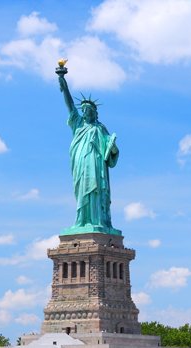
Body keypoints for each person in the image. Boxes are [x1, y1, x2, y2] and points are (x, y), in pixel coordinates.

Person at [58, 65, 119, 234]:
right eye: (83, 110)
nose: (86, 113)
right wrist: (64, 84)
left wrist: (112, 147)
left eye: (89, 111)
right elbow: (70, 105)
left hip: (96, 164)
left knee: (97, 191)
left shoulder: (100, 128)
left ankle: (99, 221)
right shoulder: (77, 124)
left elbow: (110, 151)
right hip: (80, 163)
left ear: (94, 113)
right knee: (82, 191)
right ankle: (81, 221)